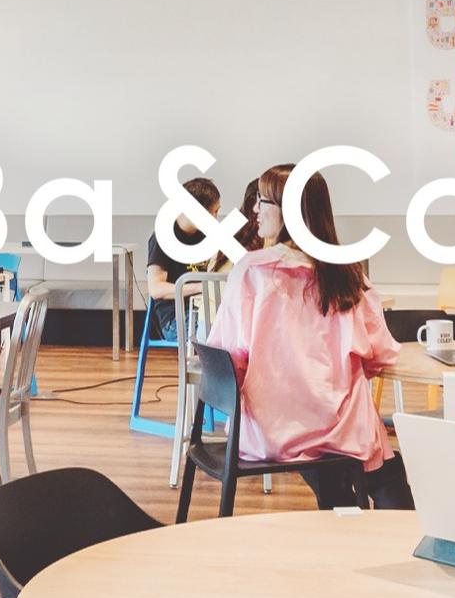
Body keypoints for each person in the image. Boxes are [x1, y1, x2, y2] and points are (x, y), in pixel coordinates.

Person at [203, 168, 413, 510]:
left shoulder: (251, 271)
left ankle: (343, 515)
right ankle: (396, 531)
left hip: (270, 432)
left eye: (262, 201)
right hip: (338, 428)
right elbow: (381, 355)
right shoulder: (347, 274)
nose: (254, 209)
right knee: (380, 463)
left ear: (289, 212)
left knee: (325, 457)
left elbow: (225, 358)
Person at [146, 175, 221, 341]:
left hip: (204, 308)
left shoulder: (208, 236)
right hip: (176, 317)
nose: (215, 218)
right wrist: (201, 287)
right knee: (219, 334)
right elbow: (156, 289)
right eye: (212, 212)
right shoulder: (163, 238)